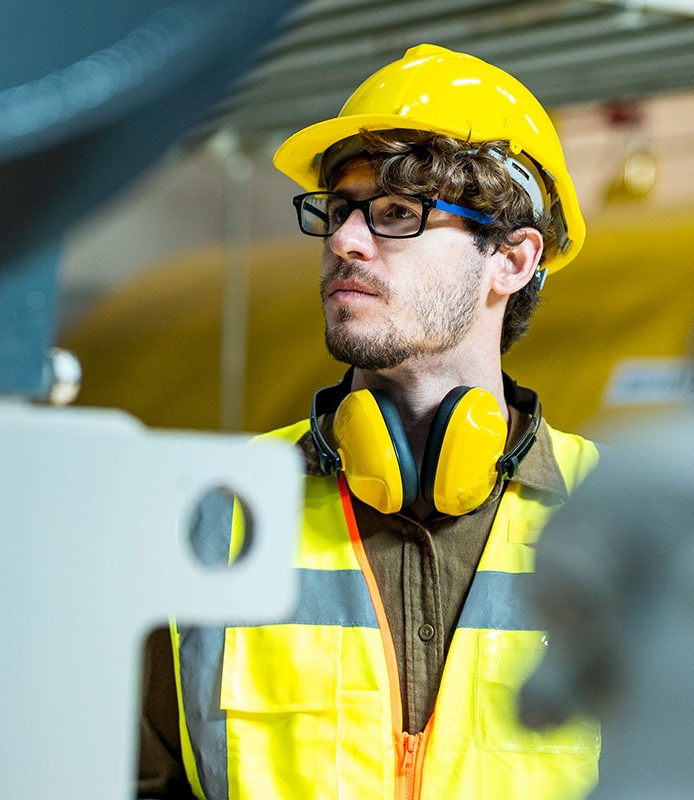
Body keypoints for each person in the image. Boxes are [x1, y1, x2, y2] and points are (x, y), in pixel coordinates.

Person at [138, 44, 604, 799]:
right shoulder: (216, 514)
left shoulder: (620, 526)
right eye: (339, 211)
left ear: (513, 260)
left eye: (396, 214)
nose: (344, 242)